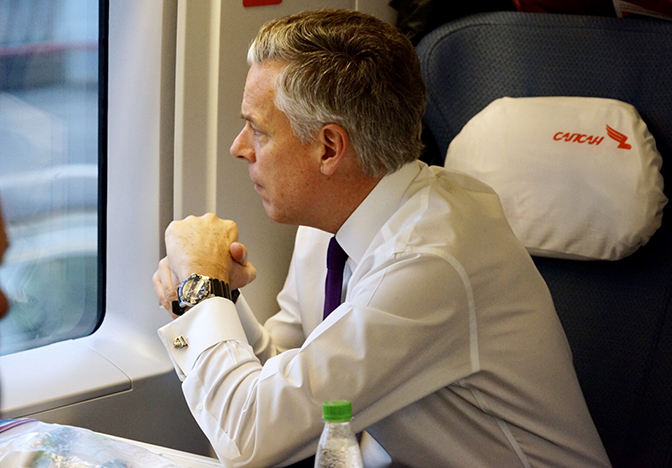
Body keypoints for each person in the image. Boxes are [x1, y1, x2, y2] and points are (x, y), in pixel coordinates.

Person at [152, 9, 611, 468]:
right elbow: (294, 388)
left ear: (329, 148)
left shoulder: (430, 259)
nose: (239, 147)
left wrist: (200, 290)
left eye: (258, 130)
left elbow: (251, 437)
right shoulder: (328, 226)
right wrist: (217, 298)